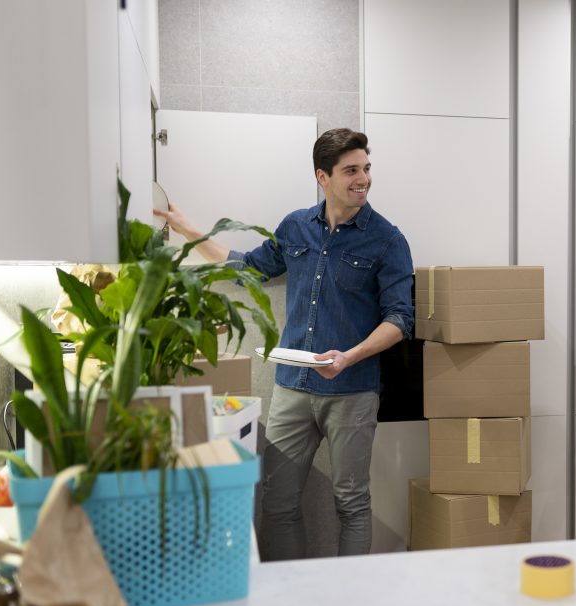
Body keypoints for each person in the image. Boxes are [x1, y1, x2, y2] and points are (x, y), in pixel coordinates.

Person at [154, 128, 414, 559]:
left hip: (352, 391)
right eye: (351, 170)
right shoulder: (296, 227)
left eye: (366, 168)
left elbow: (399, 320)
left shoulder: (388, 240)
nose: (363, 179)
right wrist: (186, 230)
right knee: (277, 502)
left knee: (351, 503)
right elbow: (247, 269)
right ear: (322, 177)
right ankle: (288, 590)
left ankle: (352, 592)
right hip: (292, 388)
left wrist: (349, 357)